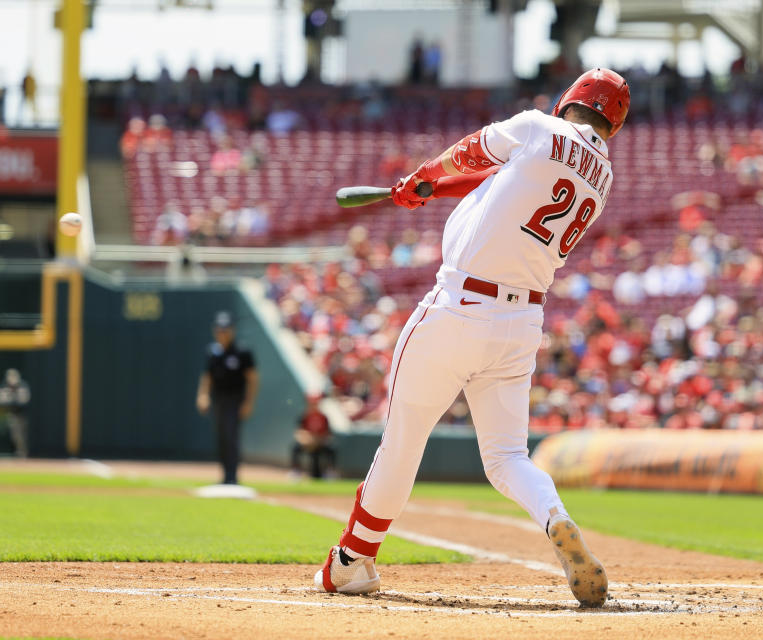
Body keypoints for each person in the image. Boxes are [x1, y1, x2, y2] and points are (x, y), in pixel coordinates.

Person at [314, 68, 630, 608]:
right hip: (520, 324)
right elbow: (500, 178)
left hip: (457, 306)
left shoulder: (536, 126)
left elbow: (469, 153)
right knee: (507, 457)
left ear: (569, 99)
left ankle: (353, 560)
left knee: (404, 439)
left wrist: (424, 175)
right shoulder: (601, 177)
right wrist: (429, 189)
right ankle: (556, 516)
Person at [196, 311, 258, 485]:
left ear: (232, 330)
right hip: (218, 399)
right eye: (219, 329)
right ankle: (225, 475)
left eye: (225, 329)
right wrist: (202, 395)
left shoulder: (242, 351)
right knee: (222, 437)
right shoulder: (212, 352)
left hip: (235, 399)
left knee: (231, 435)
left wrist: (248, 402)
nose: (222, 333)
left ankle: (232, 476)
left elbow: (253, 379)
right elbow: (207, 377)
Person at [290, 393, 335, 479]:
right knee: (295, 448)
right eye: (312, 403)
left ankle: (330, 471)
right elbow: (299, 432)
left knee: (332, 449)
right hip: (306, 443)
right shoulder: (304, 416)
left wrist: (317, 440)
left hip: (320, 443)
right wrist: (306, 440)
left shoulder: (324, 417)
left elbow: (328, 434)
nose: (314, 405)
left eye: (316, 403)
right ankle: (296, 471)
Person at [0, 369, 30, 457]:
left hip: (22, 415)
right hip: (10, 415)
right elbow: (2, 400)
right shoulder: (5, 386)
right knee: (15, 435)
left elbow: (24, 400)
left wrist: (12, 399)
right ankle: (20, 452)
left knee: (21, 435)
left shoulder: (22, 386)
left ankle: (23, 452)